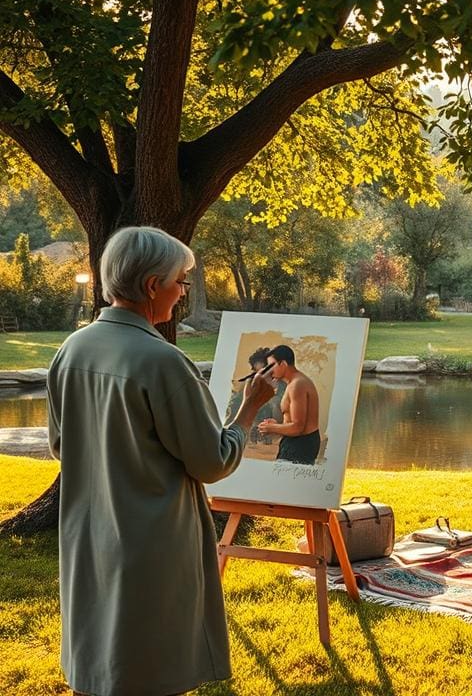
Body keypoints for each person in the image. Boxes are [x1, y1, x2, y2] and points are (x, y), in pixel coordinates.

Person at [47, 226, 275, 696]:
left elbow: (60, 446)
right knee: (151, 666)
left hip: (91, 532)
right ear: (152, 286)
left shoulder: (72, 349)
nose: (183, 293)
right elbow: (212, 461)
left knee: (102, 659)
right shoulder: (162, 362)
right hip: (151, 542)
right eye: (180, 282)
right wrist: (249, 408)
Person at [258, 344, 325, 464]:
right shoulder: (293, 383)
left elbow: (298, 427)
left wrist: (272, 428)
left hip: (300, 445)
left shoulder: (297, 385)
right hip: (297, 442)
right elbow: (294, 422)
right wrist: (277, 426)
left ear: (283, 364)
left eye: (271, 366)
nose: (269, 371)